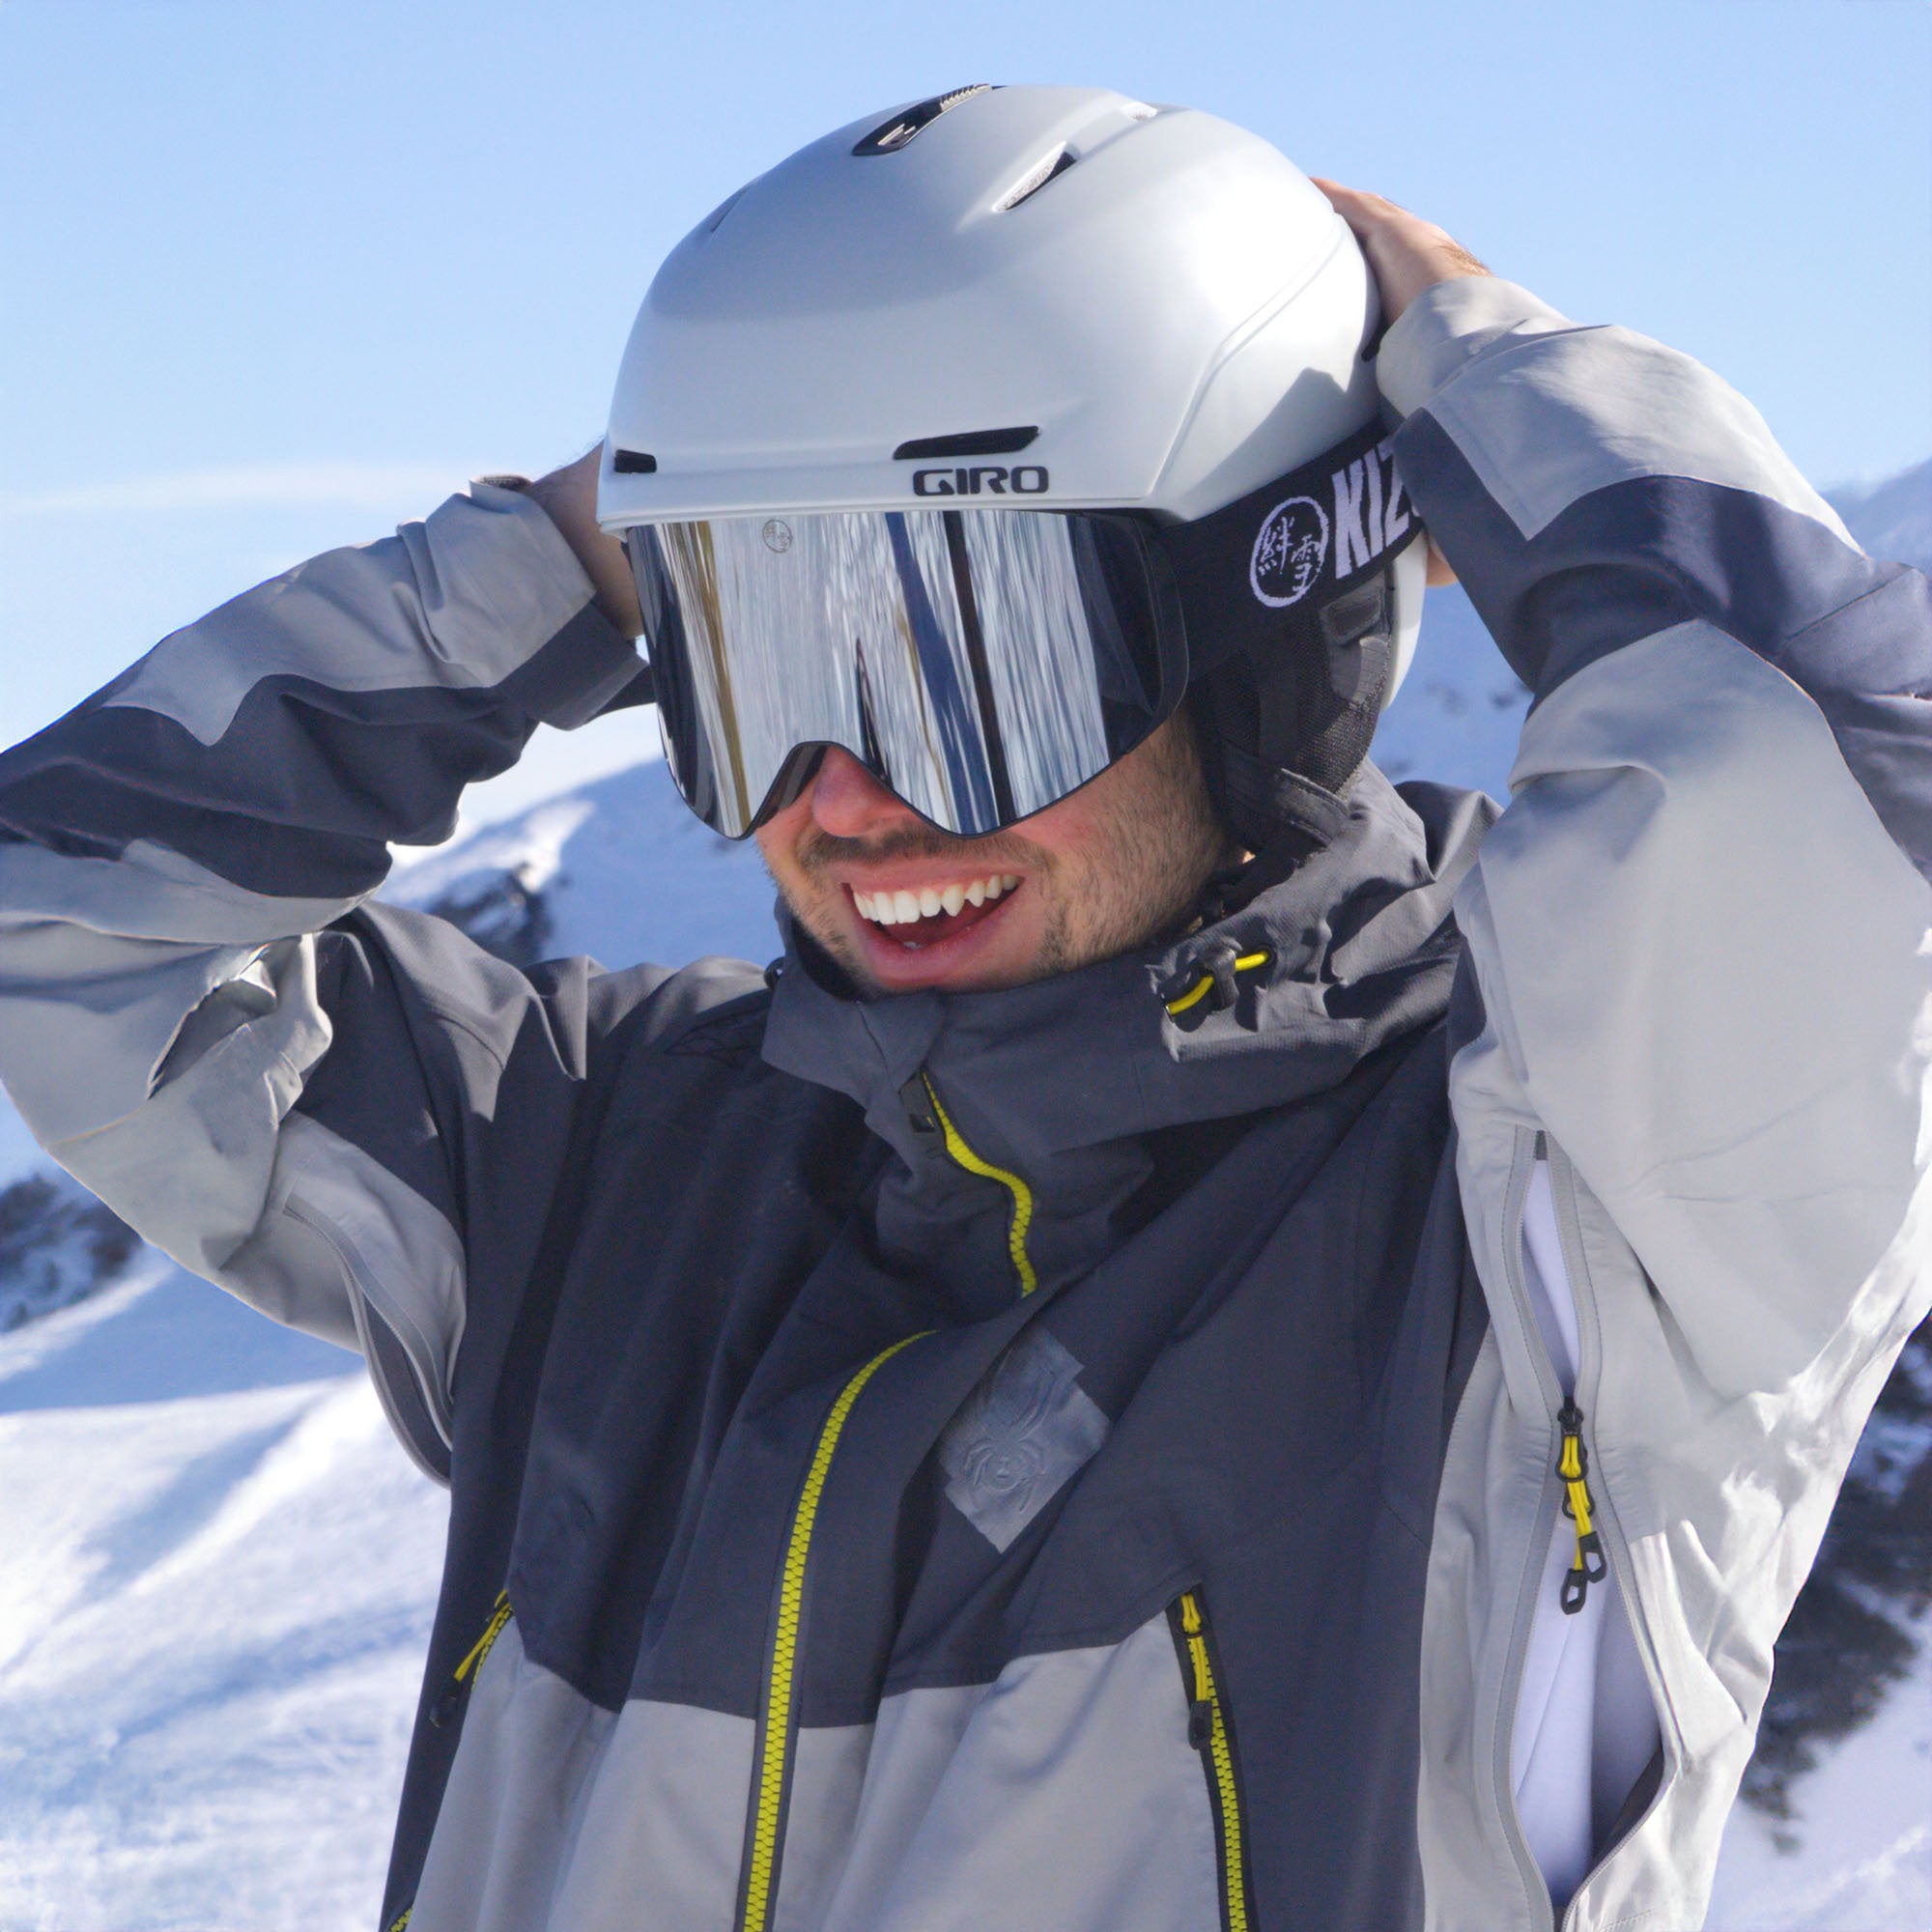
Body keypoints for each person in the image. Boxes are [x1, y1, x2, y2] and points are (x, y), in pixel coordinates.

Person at [0, 84, 1925, 1932]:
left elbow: (1835, 792)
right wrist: (589, 548)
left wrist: (1476, 357)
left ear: (1264, 642)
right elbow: (59, 918)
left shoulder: (1550, 1215)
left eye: (970, 670)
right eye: (754, 667)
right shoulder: (603, 1158)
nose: (842, 800)